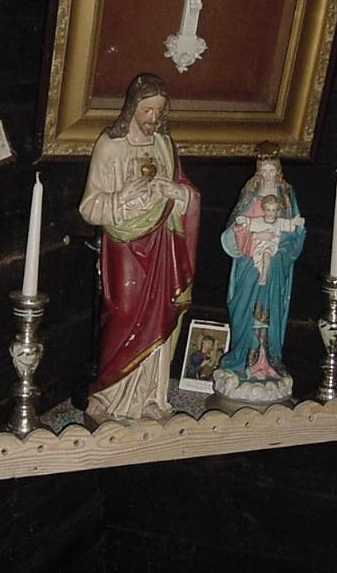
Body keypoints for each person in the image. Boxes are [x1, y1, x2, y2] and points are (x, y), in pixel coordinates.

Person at [79, 73, 200, 421]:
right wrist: (121, 198)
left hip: (162, 242)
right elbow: (89, 206)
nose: (153, 118)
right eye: (148, 110)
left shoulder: (164, 143)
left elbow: (186, 191)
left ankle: (150, 398)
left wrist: (178, 194)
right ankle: (108, 395)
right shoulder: (110, 145)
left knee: (160, 315)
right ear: (132, 107)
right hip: (125, 246)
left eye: (159, 111)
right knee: (124, 315)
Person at [220, 147, 305, 378]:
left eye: (272, 170)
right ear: (259, 171)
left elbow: (294, 230)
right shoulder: (250, 192)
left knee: (269, 310)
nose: (268, 175)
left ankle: (266, 361)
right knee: (244, 307)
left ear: (278, 171)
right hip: (249, 259)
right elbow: (236, 225)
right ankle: (244, 358)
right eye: (264, 171)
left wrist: (280, 244)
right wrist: (252, 234)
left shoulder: (286, 194)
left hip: (274, 259)